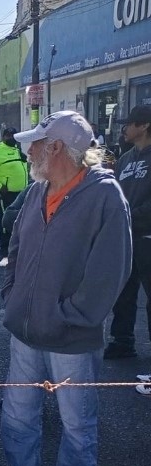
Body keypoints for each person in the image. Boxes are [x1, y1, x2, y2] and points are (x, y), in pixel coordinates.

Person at [0, 111, 132, 466]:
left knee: (77, 422)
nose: (28, 150)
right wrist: (12, 296)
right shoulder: (37, 191)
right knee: (17, 414)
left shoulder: (105, 196)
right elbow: (15, 244)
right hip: (25, 330)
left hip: (72, 337)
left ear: (57, 149)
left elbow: (109, 271)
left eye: (35, 143)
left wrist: (72, 316)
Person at [104, 105, 151, 361]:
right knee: (123, 293)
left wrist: (129, 215)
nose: (125, 128)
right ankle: (122, 341)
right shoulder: (125, 159)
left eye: (130, 123)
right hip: (126, 238)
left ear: (144, 126)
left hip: (148, 238)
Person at [0, 128, 29, 267]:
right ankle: (5, 249)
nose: (11, 137)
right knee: (5, 221)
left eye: (13, 135)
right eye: (8, 135)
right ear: (3, 137)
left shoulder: (16, 150)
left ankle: (17, 248)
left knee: (21, 221)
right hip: (5, 194)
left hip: (21, 193)